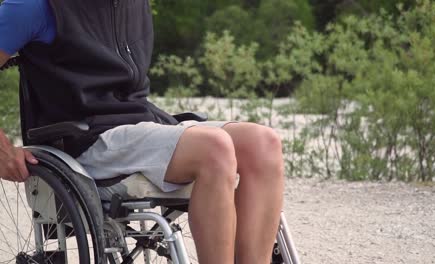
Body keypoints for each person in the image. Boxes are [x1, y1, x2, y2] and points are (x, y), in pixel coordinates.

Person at [0, 0, 284, 263]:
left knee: (263, 143)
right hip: (87, 139)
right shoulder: (34, 6)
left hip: (139, 124)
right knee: (215, 147)